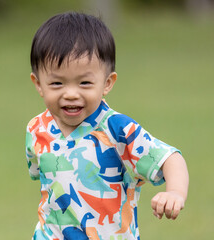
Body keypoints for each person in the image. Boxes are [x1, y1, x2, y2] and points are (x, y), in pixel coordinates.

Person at [25, 12, 189, 240]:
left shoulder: (118, 130)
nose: (71, 94)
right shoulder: (36, 129)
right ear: (39, 84)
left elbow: (170, 158)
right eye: (56, 83)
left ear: (107, 83)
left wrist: (175, 193)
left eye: (84, 83)